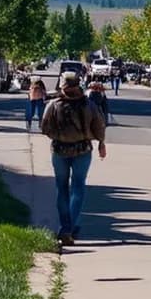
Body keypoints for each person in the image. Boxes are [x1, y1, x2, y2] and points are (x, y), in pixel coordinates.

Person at [40, 71, 107, 246]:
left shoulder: (54, 104)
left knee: (61, 188)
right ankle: (70, 227)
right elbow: (99, 125)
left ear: (62, 85)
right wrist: (100, 142)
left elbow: (44, 127)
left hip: (59, 150)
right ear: (78, 84)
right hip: (82, 150)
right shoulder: (89, 105)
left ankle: (65, 226)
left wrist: (59, 136)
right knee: (78, 187)